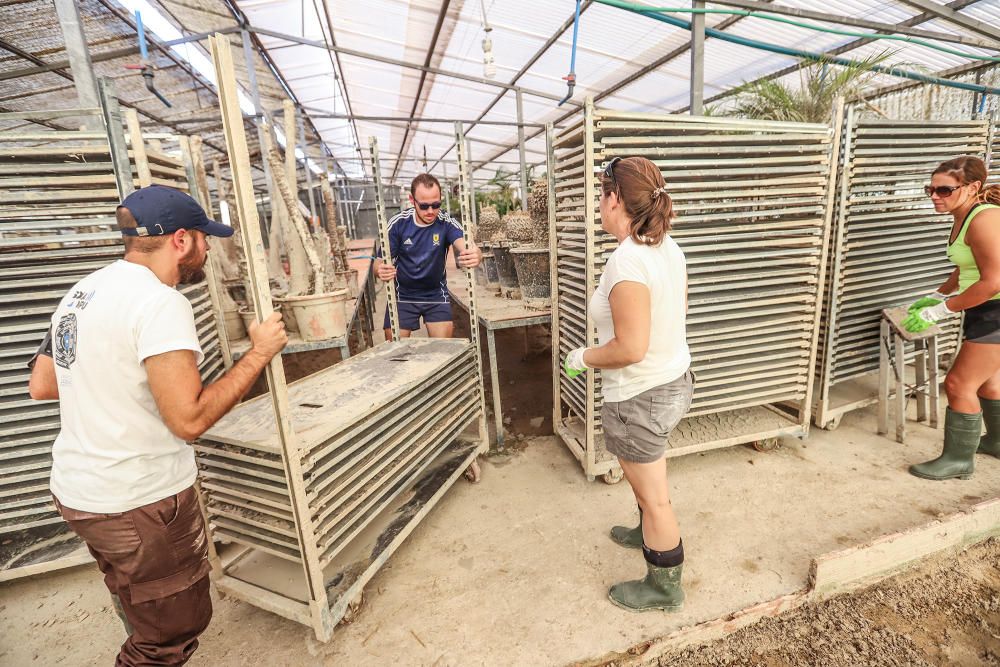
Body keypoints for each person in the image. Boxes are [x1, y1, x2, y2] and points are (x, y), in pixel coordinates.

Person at [28, 185, 288, 666]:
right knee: (169, 633)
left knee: (138, 601)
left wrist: (121, 378)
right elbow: (188, 420)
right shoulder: (160, 303)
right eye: (206, 238)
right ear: (182, 240)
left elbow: (42, 384)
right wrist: (259, 353)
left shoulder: (82, 291)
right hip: (137, 501)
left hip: (80, 494)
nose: (209, 247)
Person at [562, 156, 694, 611]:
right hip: (671, 382)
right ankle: (644, 529)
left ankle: (663, 585)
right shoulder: (667, 248)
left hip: (640, 396)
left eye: (601, 194)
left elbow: (630, 348)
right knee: (648, 481)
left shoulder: (627, 261)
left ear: (615, 198)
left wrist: (582, 356)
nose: (599, 204)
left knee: (656, 498)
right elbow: (677, 313)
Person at [903, 155, 1000, 481]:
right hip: (986, 308)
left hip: (996, 311)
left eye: (944, 190)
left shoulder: (984, 219)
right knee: (988, 383)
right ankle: (998, 442)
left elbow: (993, 280)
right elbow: (967, 266)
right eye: (930, 188)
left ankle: (959, 461)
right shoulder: (964, 215)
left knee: (958, 384)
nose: (934, 196)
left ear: (973, 187)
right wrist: (940, 293)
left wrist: (942, 310)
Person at [375, 173, 482, 340]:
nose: (431, 211)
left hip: (435, 293)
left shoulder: (445, 221)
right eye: (424, 206)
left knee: (443, 350)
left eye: (436, 204)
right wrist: (379, 269)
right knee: (394, 350)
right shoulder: (398, 223)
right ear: (412, 201)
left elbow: (468, 245)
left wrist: (476, 254)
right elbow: (379, 260)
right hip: (403, 294)